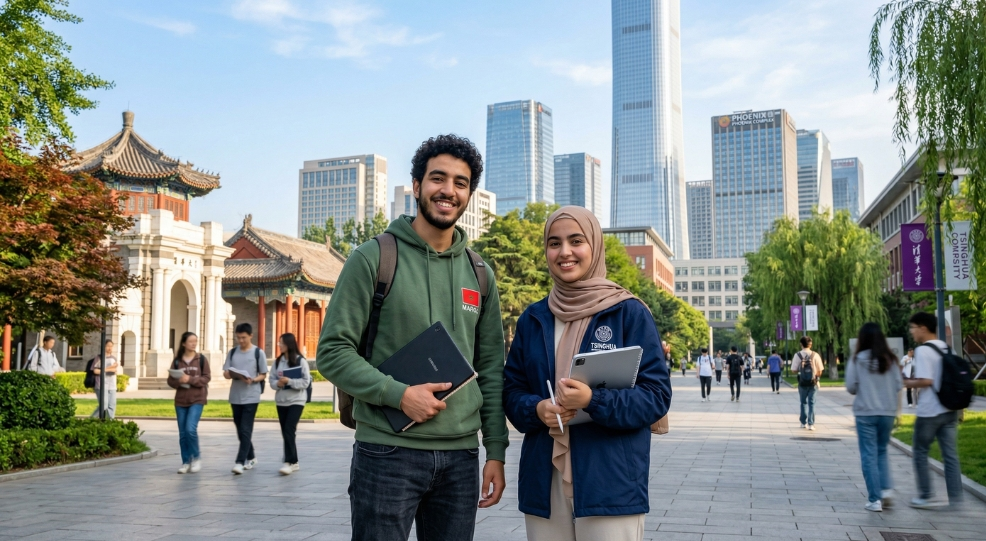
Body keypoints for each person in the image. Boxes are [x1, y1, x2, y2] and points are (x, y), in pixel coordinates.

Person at [316, 134, 508, 541]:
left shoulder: (480, 274)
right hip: (386, 451)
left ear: (469, 195)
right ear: (417, 186)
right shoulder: (373, 258)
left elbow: (491, 369)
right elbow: (332, 352)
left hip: (461, 457)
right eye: (438, 178)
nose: (448, 190)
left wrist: (495, 450)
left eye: (460, 183)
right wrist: (399, 395)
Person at [503, 206, 672, 541]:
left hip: (609, 482)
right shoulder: (533, 319)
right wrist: (537, 409)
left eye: (576, 241)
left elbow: (656, 397)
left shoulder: (627, 312)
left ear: (594, 246)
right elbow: (511, 391)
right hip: (544, 480)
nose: (564, 252)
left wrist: (593, 400)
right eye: (554, 243)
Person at [905, 312, 963, 509]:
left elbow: (926, 380)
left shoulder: (923, 351)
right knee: (951, 456)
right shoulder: (947, 348)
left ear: (923, 328)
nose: (912, 332)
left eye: (913, 328)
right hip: (949, 409)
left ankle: (926, 495)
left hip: (930, 411)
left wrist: (906, 382)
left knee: (920, 451)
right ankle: (956, 499)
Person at [846, 323, 903, 512]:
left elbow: (851, 387)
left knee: (868, 454)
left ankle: (874, 499)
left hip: (865, 412)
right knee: (881, 451)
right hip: (887, 412)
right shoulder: (891, 360)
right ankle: (886, 490)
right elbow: (898, 385)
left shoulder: (857, 360)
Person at [223, 322, 268, 475]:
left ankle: (239, 462)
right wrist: (230, 374)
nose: (241, 340)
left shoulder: (258, 353)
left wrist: (253, 380)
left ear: (250, 336)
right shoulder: (232, 352)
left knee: (245, 429)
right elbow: (226, 372)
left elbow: (263, 374)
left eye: (243, 337)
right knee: (240, 429)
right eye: (238, 338)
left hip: (251, 395)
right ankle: (252, 457)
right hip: (235, 396)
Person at [167, 332, 210, 474]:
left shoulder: (201, 359)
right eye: (191, 341)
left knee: (190, 429)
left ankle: (196, 458)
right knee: (183, 433)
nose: (193, 343)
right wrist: (179, 381)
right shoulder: (177, 361)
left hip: (197, 399)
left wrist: (190, 379)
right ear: (184, 343)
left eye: (195, 341)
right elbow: (170, 380)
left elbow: (206, 378)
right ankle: (186, 461)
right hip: (181, 400)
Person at [269, 333, 312, 476]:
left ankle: (288, 462)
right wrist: (278, 383)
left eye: (281, 343)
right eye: (279, 343)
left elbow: (306, 382)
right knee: (286, 432)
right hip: (281, 401)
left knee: (288, 429)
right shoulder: (278, 362)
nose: (279, 345)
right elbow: (271, 381)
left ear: (289, 344)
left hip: (297, 400)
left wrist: (290, 381)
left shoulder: (300, 361)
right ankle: (294, 461)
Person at [792, 336, 824, 430]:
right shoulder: (815, 355)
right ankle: (811, 424)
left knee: (803, 403)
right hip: (813, 383)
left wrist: (801, 370)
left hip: (802, 383)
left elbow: (793, 370)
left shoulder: (797, 355)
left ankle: (803, 422)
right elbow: (820, 370)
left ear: (801, 344)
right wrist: (816, 377)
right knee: (812, 403)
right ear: (811, 344)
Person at [90, 340, 119, 419]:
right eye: (108, 346)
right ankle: (91, 419)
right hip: (101, 385)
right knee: (104, 405)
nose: (110, 348)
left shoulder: (113, 358)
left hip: (112, 385)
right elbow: (95, 371)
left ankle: (110, 422)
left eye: (111, 346)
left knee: (112, 406)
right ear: (104, 347)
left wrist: (114, 370)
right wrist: (109, 369)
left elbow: (114, 370)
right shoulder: (99, 358)